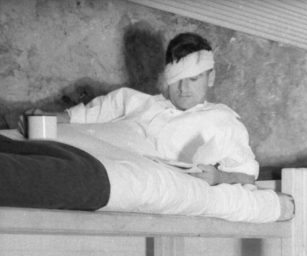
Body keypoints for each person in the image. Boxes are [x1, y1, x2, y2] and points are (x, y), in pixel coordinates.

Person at [20, 32, 258, 187]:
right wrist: (47, 118)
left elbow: (248, 174)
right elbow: (92, 113)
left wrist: (219, 178)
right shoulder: (139, 102)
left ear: (211, 77)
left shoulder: (222, 121)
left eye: (194, 79)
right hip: (90, 143)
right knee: (30, 138)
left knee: (38, 158)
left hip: (132, 164)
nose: (184, 88)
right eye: (176, 79)